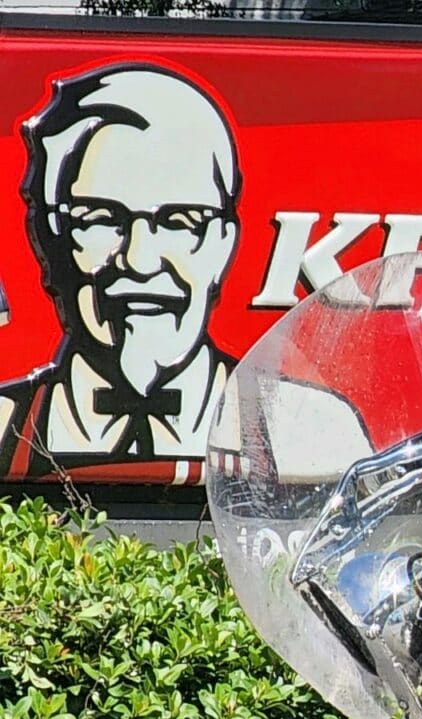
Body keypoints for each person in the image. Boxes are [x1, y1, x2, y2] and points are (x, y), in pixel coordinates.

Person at [0, 64, 243, 478]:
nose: (140, 260)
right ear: (53, 236)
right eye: (100, 218)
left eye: (180, 221)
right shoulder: (6, 422)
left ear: (223, 243)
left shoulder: (308, 431)